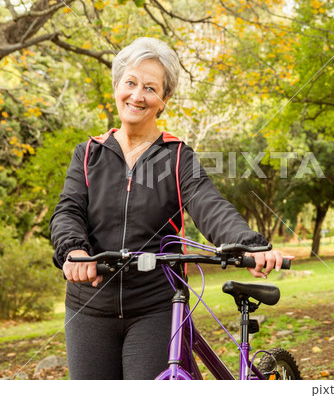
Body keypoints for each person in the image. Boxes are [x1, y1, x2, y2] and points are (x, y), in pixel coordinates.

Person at [50, 37, 290, 380]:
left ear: (164, 100)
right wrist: (73, 250)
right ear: (117, 86)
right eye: (130, 83)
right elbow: (68, 211)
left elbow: (209, 205)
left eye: (150, 88)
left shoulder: (177, 157)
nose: (137, 95)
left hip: (155, 308)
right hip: (88, 307)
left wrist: (250, 244)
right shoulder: (88, 154)